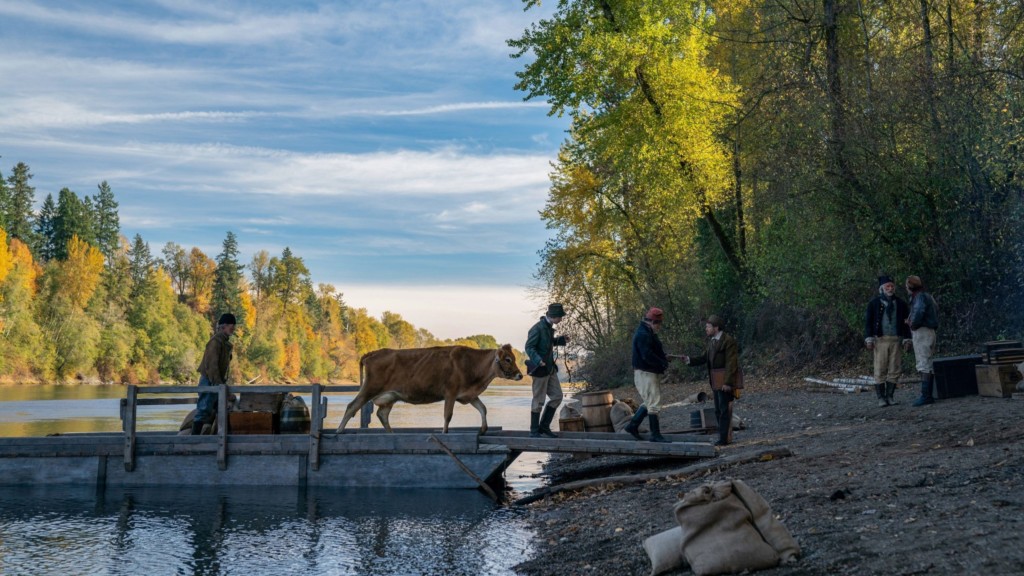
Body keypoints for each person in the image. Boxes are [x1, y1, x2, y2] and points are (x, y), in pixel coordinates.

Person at [682, 315, 740, 447]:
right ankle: (723, 436)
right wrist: (688, 360)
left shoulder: (728, 341)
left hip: (724, 381)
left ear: (716, 327)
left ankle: (724, 439)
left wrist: (728, 382)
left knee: (724, 409)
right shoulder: (712, 341)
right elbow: (704, 358)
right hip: (715, 381)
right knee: (718, 410)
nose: (706, 329)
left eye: (708, 327)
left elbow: (732, 363)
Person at [624, 307, 672, 443]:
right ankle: (655, 435)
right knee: (653, 403)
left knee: (649, 402)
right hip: (646, 372)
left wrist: (663, 357)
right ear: (652, 322)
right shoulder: (643, 334)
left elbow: (651, 352)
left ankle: (632, 426)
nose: (659, 326)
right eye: (658, 323)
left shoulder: (646, 332)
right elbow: (647, 355)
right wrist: (662, 362)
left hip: (647, 372)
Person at [864, 275, 911, 406]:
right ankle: (880, 398)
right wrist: (869, 339)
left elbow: (906, 323)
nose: (890, 288)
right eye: (887, 286)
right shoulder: (874, 303)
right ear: (882, 288)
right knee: (880, 369)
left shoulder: (901, 304)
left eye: (892, 286)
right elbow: (868, 323)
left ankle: (890, 396)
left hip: (896, 340)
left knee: (894, 369)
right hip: (880, 340)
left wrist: (907, 340)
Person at [525, 303, 568, 438]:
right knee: (539, 400)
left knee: (557, 397)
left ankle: (544, 427)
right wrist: (538, 360)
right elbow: (529, 347)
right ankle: (534, 430)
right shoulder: (537, 329)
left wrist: (560, 340)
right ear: (554, 316)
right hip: (540, 369)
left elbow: (548, 343)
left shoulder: (548, 328)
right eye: (560, 317)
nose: (561, 319)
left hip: (550, 369)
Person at [192, 313, 236, 435]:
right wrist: (220, 386)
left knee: (221, 409)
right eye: (231, 327)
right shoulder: (215, 342)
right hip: (210, 381)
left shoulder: (224, 343)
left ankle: (222, 437)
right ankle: (192, 441)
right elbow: (212, 367)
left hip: (217, 382)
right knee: (203, 410)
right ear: (224, 326)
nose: (233, 329)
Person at [906, 276, 939, 406]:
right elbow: (936, 309)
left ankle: (926, 396)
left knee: (924, 362)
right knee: (927, 362)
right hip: (930, 331)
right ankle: (927, 395)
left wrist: (912, 324)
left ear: (909, 286)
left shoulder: (919, 297)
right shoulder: (927, 296)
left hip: (922, 332)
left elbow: (919, 311)